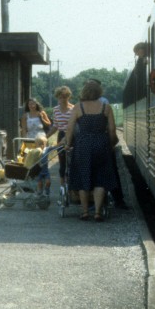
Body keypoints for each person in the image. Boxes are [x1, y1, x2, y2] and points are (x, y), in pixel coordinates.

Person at [63, 80, 118, 221]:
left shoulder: (78, 107)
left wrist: (68, 144)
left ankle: (85, 212)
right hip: (101, 143)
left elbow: (69, 128)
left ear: (84, 92)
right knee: (100, 179)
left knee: (83, 176)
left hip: (83, 144)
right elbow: (112, 130)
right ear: (99, 92)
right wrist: (111, 144)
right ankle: (98, 213)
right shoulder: (106, 107)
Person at [86, 77, 129, 210]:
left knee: (92, 171)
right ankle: (117, 200)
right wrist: (111, 142)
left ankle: (96, 202)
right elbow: (111, 127)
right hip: (103, 141)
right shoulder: (104, 102)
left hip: (89, 142)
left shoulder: (83, 103)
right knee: (110, 171)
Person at [50, 85, 75, 189]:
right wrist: (45, 136)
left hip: (73, 136)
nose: (62, 99)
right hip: (61, 136)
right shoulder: (55, 110)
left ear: (68, 97)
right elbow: (55, 126)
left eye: (64, 96)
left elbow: (76, 125)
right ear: (57, 97)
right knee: (62, 162)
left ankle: (73, 187)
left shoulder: (74, 109)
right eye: (60, 97)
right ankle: (62, 187)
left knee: (73, 162)